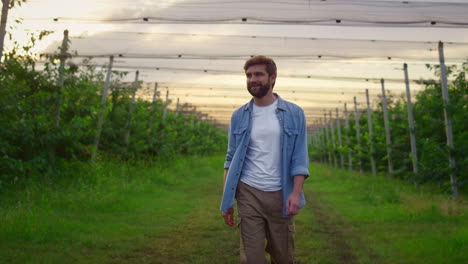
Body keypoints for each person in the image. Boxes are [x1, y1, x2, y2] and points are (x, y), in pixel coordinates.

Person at [220, 55, 310, 264]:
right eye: (249, 75)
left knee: (283, 256)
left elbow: (299, 157)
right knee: (252, 258)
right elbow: (230, 158)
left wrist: (295, 194)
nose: (253, 79)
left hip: (281, 193)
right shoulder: (239, 115)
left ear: (273, 77)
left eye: (259, 74)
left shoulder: (294, 113)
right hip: (248, 192)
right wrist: (226, 200)